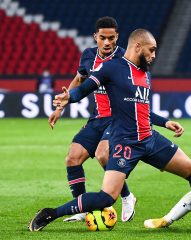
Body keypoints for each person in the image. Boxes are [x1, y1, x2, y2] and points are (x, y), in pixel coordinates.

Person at [28, 29, 191, 231]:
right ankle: (51, 213)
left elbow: (141, 109)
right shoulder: (112, 68)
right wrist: (69, 97)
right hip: (125, 144)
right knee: (106, 198)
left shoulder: (145, 74)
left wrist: (165, 122)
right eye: (151, 50)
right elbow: (86, 87)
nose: (153, 55)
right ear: (137, 46)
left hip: (151, 140)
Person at [47, 17, 137, 223]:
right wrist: (61, 106)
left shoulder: (126, 58)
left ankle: (126, 196)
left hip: (118, 118)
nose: (107, 42)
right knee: (73, 157)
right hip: (97, 118)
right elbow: (80, 79)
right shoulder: (88, 55)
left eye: (111, 38)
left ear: (117, 37)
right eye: (102, 38)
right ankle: (82, 206)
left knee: (103, 155)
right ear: (95, 37)